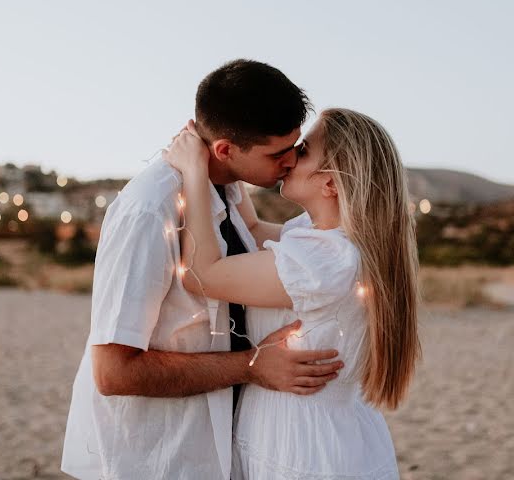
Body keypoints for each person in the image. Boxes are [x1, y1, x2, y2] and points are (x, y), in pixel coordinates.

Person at [61, 60, 345, 480]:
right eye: (277, 153)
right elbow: (113, 371)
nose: (291, 161)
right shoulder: (149, 209)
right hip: (159, 458)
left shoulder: (226, 189)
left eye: (296, 147)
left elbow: (265, 241)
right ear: (226, 149)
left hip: (221, 449)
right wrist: (252, 366)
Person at [164, 107, 421, 479]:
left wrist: (194, 171)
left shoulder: (323, 260)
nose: (288, 160)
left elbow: (200, 276)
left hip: (303, 446)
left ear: (330, 182)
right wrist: (232, 162)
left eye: (302, 152)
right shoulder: (324, 240)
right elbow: (249, 228)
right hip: (329, 430)